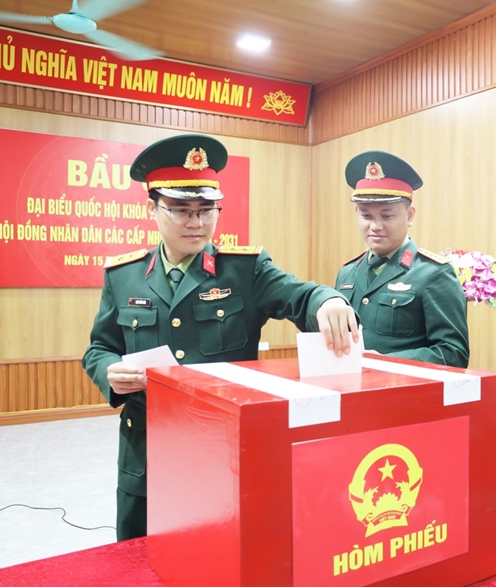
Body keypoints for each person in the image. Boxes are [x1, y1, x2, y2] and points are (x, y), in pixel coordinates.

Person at [82, 134, 358, 541]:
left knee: (223, 546)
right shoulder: (123, 276)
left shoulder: (244, 270)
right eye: (181, 210)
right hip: (149, 444)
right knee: (139, 552)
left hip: (225, 445)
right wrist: (109, 371)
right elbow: (100, 348)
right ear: (151, 209)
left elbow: (299, 295)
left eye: (206, 210)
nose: (196, 223)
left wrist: (328, 300)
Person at [335, 150, 469, 368]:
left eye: (387, 216)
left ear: (410, 216)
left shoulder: (433, 273)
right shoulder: (347, 273)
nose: (375, 226)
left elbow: (453, 353)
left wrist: (385, 363)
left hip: (403, 388)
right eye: (366, 215)